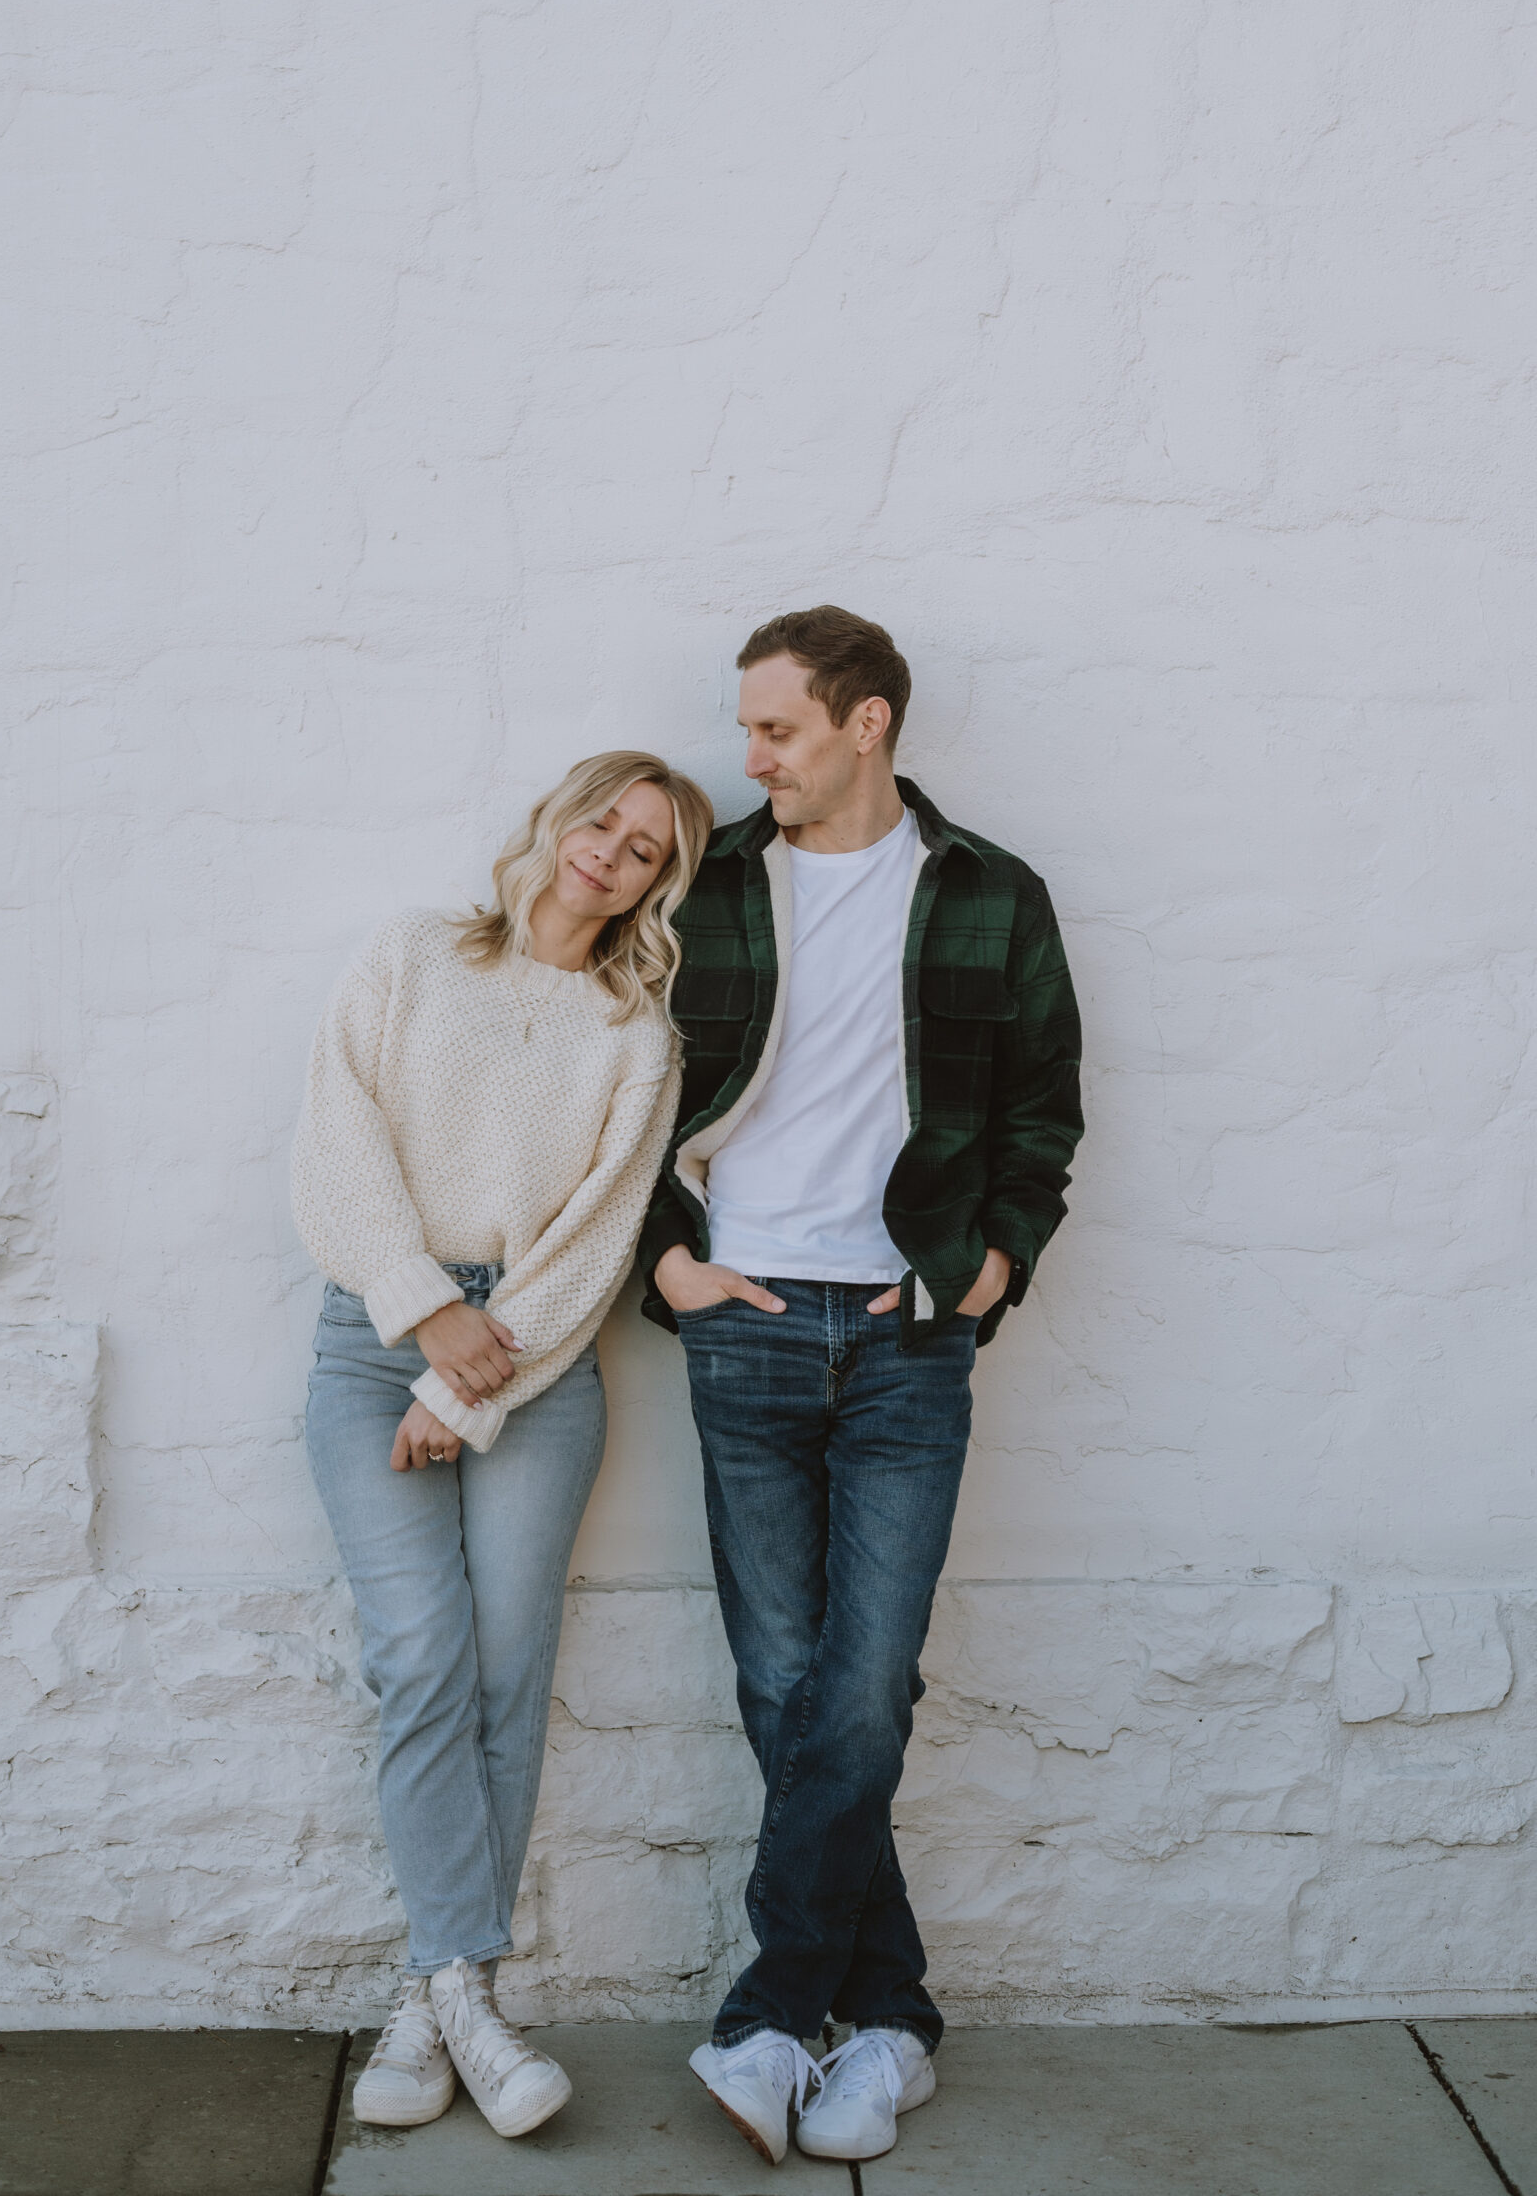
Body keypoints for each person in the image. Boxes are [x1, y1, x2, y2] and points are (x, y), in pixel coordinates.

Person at [639, 607, 1083, 2168]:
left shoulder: (989, 895)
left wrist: (997, 1261)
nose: (748, 757)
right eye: (748, 729)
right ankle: (886, 2022)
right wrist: (667, 1263)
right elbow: (614, 1086)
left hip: (908, 1331)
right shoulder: (709, 887)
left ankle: (770, 2016)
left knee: (863, 1685)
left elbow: (1043, 1112)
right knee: (783, 1686)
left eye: (778, 730)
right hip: (745, 1318)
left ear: (869, 723)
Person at [292, 750, 712, 2142]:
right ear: (556, 821)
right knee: (419, 1655)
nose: (610, 852)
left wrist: (469, 1386)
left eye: (644, 849)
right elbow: (335, 1142)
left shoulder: (632, 1034)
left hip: (538, 1360)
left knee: (507, 1672)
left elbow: (597, 1240)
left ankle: (436, 1999)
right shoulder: (413, 955)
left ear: (660, 884)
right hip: (375, 1340)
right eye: (602, 820)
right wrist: (422, 1321)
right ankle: (464, 1993)